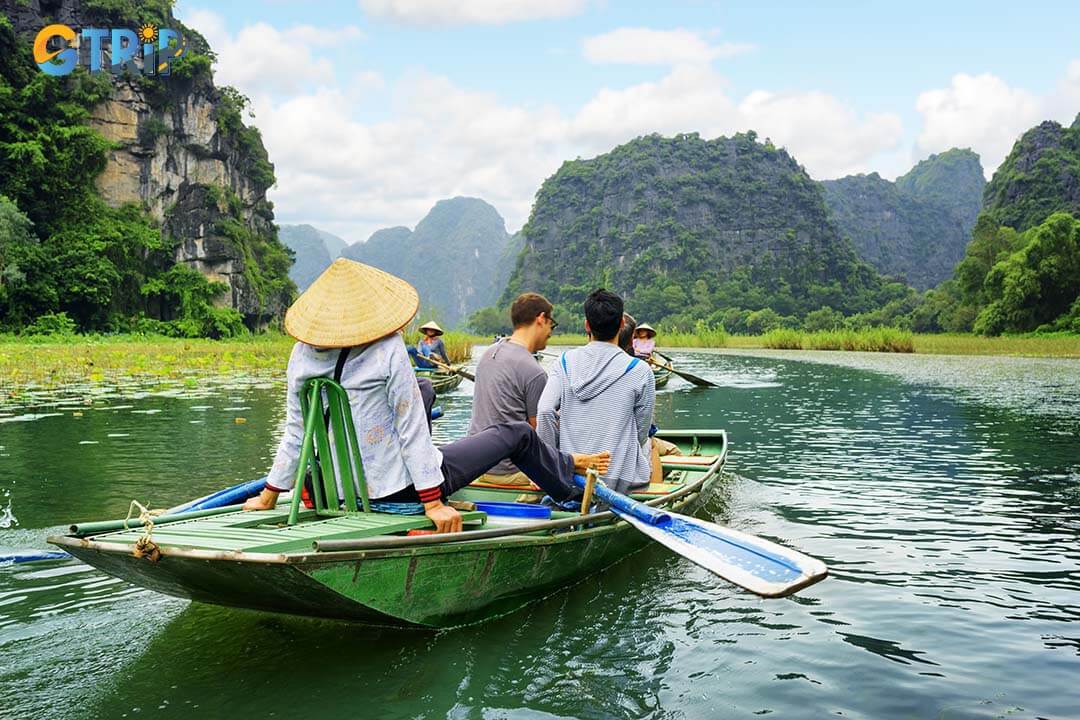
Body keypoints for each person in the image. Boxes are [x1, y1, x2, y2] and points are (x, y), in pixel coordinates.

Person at [242, 259, 609, 532]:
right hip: (396, 491)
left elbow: (295, 432)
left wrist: (268, 496)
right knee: (517, 433)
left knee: (424, 387)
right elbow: (411, 428)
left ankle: (565, 462)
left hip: (326, 489)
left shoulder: (302, 355)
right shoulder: (387, 349)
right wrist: (432, 503)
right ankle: (567, 486)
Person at [537, 289, 655, 495]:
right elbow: (641, 431)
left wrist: (551, 467)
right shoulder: (640, 370)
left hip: (572, 475)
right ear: (621, 325)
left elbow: (545, 411)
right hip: (620, 479)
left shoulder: (564, 362)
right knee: (650, 442)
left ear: (587, 325)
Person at [468, 293, 556, 488]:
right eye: (552, 324)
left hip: (474, 464)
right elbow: (539, 432)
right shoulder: (534, 371)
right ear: (541, 319)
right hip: (508, 471)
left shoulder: (489, 354)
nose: (551, 332)